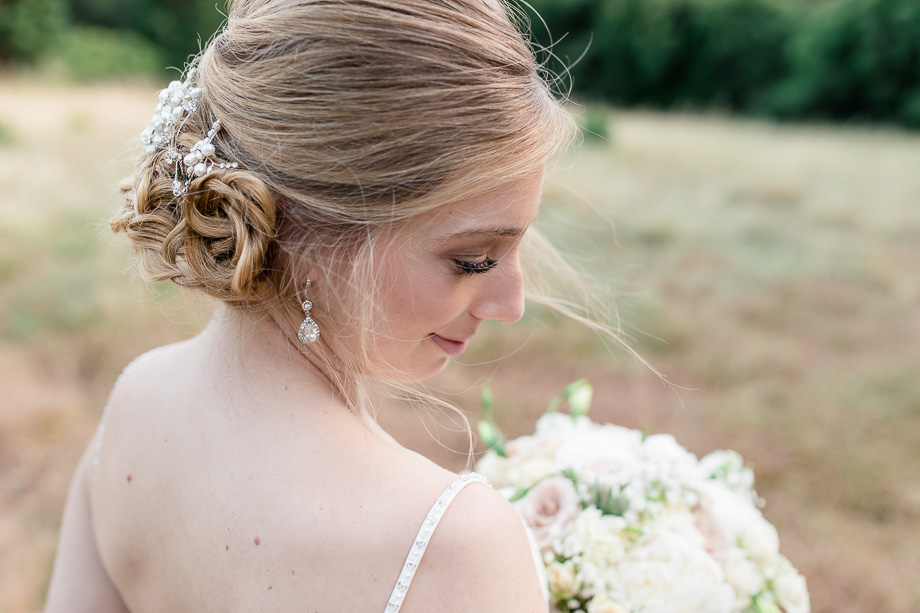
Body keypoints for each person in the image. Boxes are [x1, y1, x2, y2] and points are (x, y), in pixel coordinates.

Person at [45, 0, 578, 610]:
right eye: (474, 259)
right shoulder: (452, 545)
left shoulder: (132, 405)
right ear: (314, 232)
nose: (511, 303)